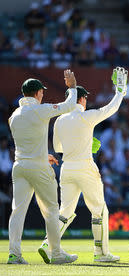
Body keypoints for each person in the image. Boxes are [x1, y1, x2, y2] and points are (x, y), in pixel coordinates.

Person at [38, 67, 128, 263]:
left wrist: (84, 141)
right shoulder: (86, 117)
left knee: (66, 212)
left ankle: (47, 244)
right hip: (85, 167)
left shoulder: (60, 120)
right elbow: (111, 108)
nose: (86, 101)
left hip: (67, 168)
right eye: (85, 98)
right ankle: (101, 253)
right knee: (99, 209)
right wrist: (120, 90)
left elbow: (58, 147)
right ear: (81, 99)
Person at [7, 70, 78, 264]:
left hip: (20, 166)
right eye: (42, 92)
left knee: (17, 211)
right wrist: (72, 87)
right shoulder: (40, 109)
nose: (43, 95)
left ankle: (14, 254)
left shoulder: (14, 115)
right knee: (52, 210)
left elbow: (26, 142)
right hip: (37, 167)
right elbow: (70, 105)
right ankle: (56, 254)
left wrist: (42, 155)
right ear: (37, 92)